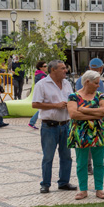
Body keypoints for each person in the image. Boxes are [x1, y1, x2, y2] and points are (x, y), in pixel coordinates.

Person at [32, 60, 77, 194]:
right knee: (48, 156)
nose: (66, 70)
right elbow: (35, 104)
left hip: (65, 124)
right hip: (49, 126)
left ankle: (64, 182)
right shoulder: (42, 84)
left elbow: (72, 99)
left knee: (66, 156)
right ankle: (45, 184)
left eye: (65, 68)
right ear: (53, 70)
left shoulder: (67, 83)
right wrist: (55, 105)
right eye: (62, 68)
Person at [68, 70, 104, 200]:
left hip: (98, 133)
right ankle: (83, 190)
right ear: (87, 82)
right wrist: (95, 114)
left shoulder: (100, 96)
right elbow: (73, 114)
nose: (98, 85)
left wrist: (84, 110)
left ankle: (99, 189)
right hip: (80, 134)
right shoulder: (73, 96)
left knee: (99, 162)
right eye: (96, 83)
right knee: (81, 163)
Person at [28, 61, 47, 129]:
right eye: (44, 66)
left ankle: (32, 122)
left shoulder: (38, 74)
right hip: (43, 94)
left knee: (41, 108)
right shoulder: (42, 76)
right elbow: (45, 85)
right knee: (42, 108)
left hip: (40, 93)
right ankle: (32, 122)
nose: (46, 67)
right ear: (40, 67)